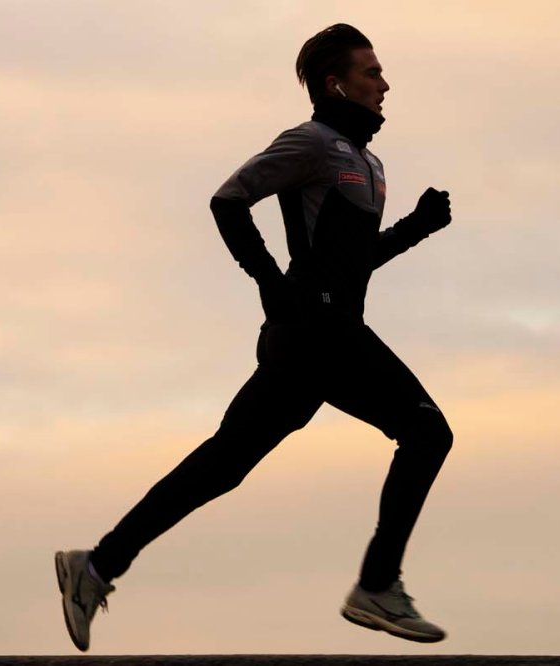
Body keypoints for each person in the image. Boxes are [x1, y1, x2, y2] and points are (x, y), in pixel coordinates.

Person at [55, 23, 455, 650]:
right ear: (336, 83)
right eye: (371, 72)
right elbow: (228, 200)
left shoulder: (369, 164)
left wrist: (415, 229)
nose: (384, 83)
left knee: (223, 465)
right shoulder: (311, 143)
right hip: (315, 332)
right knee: (428, 431)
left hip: (321, 335)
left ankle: (98, 565)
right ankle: (378, 587)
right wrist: (271, 281)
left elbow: (352, 266)